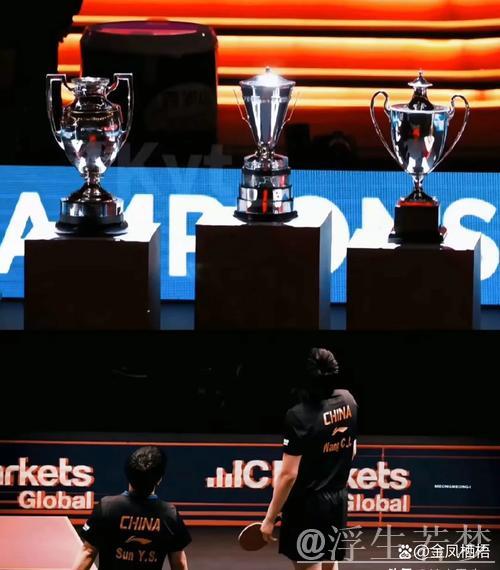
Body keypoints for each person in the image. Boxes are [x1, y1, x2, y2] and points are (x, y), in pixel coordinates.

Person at [261, 348, 358, 570]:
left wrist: (269, 518)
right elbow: (352, 450)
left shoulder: (298, 416)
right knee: (330, 564)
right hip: (337, 500)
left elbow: (288, 475)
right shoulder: (348, 400)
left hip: (307, 507)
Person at [73, 446, 191, 570]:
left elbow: (88, 552)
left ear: (127, 474)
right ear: (160, 479)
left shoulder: (106, 507)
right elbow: (179, 562)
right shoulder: (170, 514)